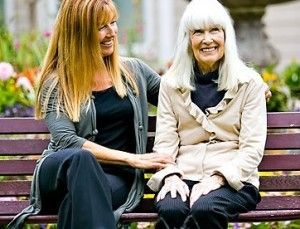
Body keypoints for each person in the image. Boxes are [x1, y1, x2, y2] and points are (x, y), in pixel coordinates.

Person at [7, 0, 174, 229]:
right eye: (100, 27)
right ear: (78, 32)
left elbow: (177, 100)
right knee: (82, 159)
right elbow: (67, 141)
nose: (111, 32)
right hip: (58, 174)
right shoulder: (57, 82)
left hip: (113, 180)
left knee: (75, 203)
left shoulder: (135, 72)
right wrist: (133, 159)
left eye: (113, 23)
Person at [147, 0, 267, 228]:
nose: (207, 39)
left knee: (206, 207)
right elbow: (165, 142)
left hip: (233, 179)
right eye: (198, 32)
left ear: (226, 36)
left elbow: (252, 148)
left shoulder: (249, 83)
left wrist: (218, 177)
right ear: (187, 39)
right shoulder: (171, 84)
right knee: (171, 208)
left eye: (214, 30)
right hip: (184, 174)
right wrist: (171, 175)